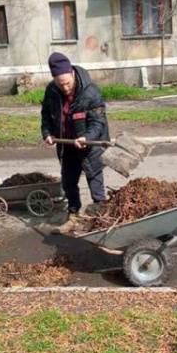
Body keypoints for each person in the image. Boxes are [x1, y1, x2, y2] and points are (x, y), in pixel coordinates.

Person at [41, 52, 109, 234]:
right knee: (68, 183)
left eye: (67, 83)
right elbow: (46, 115)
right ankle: (73, 216)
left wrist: (87, 137)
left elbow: (98, 122)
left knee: (95, 182)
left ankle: (102, 219)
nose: (65, 88)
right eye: (60, 84)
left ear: (71, 73)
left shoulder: (90, 92)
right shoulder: (52, 91)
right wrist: (47, 133)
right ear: (55, 79)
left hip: (90, 146)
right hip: (67, 146)